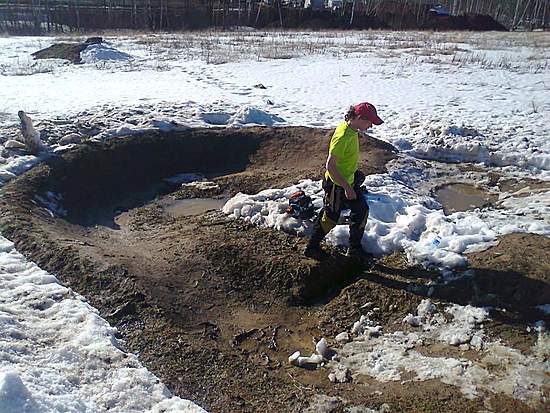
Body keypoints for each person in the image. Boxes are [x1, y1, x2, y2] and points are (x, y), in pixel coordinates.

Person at [304, 102, 384, 260]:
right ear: (359, 118)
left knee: (361, 210)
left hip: (348, 180)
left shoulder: (352, 129)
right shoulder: (342, 137)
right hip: (336, 184)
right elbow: (330, 166)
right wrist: (347, 188)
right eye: (369, 122)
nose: (370, 126)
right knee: (330, 217)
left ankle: (354, 249)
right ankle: (311, 247)